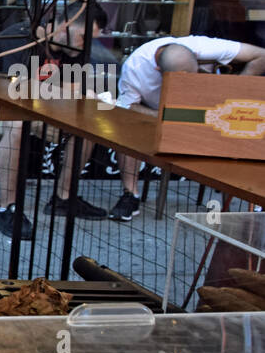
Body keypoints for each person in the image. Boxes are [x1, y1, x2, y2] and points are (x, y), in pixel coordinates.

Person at [0, 2, 117, 238]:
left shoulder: (72, 49)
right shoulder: (23, 38)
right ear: (66, 26)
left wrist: (87, 96)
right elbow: (15, 90)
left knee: (88, 119)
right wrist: (71, 93)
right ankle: (8, 208)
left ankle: (63, 197)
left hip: (32, 105)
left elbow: (72, 89)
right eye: (84, 37)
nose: (86, 45)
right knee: (17, 123)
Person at [110, 35, 265, 220]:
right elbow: (127, 107)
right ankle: (130, 194)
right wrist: (168, 117)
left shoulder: (202, 46)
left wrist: (232, 92)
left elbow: (261, 55)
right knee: (127, 127)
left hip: (207, 115)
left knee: (241, 124)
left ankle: (242, 203)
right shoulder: (135, 66)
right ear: (158, 71)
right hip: (156, 115)